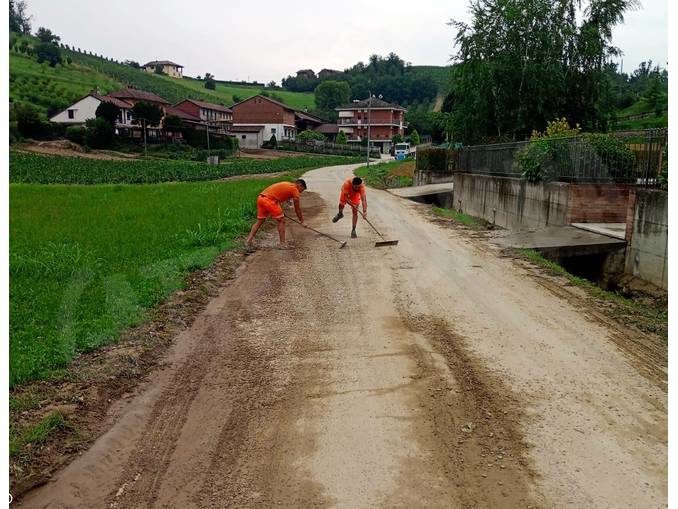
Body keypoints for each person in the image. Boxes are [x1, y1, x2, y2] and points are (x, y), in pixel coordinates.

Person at [246, 179, 307, 249]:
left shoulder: (287, 184)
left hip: (261, 198)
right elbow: (297, 209)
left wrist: (279, 211)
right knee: (281, 220)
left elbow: (279, 195)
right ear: (300, 185)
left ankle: (248, 241)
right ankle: (282, 244)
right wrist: (302, 221)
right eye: (301, 190)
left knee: (260, 221)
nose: (300, 193)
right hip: (269, 201)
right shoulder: (294, 189)